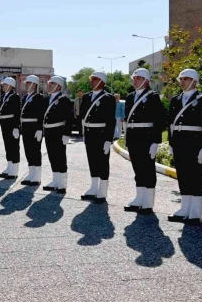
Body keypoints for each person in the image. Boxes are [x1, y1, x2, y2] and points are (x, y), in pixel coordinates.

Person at [167, 69, 202, 224]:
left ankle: (195, 212)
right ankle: (184, 209)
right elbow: (171, 124)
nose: (182, 82)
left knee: (194, 177)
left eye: (186, 79)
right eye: (180, 79)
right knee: (183, 176)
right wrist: (171, 142)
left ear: (194, 81)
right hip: (179, 142)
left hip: (195, 144)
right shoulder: (175, 99)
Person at [124, 68, 166, 214]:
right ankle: (139, 198)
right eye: (134, 78)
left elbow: (159, 121)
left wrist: (155, 142)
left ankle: (148, 202)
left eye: (138, 78)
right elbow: (128, 122)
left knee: (148, 169)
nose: (134, 81)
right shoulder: (130, 97)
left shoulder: (153, 97)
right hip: (134, 138)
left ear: (146, 81)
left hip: (147, 138)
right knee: (137, 169)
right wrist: (127, 141)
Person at [79, 72, 116, 203]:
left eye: (95, 79)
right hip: (89, 133)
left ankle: (102, 191)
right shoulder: (87, 97)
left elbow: (111, 121)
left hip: (101, 134)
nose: (92, 81)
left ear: (102, 81)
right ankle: (94, 188)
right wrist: (83, 133)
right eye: (92, 79)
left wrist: (108, 139)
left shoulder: (108, 98)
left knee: (103, 162)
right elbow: (83, 116)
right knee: (92, 161)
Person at [42, 76, 74, 194]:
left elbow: (69, 118)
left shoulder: (64, 100)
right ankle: (55, 181)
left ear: (59, 86)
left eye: (52, 83)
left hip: (59, 132)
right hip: (49, 132)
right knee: (52, 157)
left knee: (60, 157)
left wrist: (66, 134)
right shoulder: (47, 99)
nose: (49, 85)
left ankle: (62, 183)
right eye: (49, 83)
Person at [20, 75, 46, 186]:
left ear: (34, 84)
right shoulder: (25, 97)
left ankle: (37, 176)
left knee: (35, 151)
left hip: (34, 127)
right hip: (25, 127)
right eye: (26, 83)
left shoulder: (39, 98)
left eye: (28, 83)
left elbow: (41, 114)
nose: (26, 84)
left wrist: (40, 129)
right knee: (28, 151)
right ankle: (31, 173)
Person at [0, 77, 21, 179]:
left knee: (14, 147)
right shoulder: (4, 96)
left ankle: (14, 170)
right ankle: (9, 167)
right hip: (5, 124)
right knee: (7, 146)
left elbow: (17, 112)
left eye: (4, 84)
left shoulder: (15, 97)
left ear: (10, 86)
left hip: (12, 125)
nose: (2, 86)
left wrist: (16, 127)